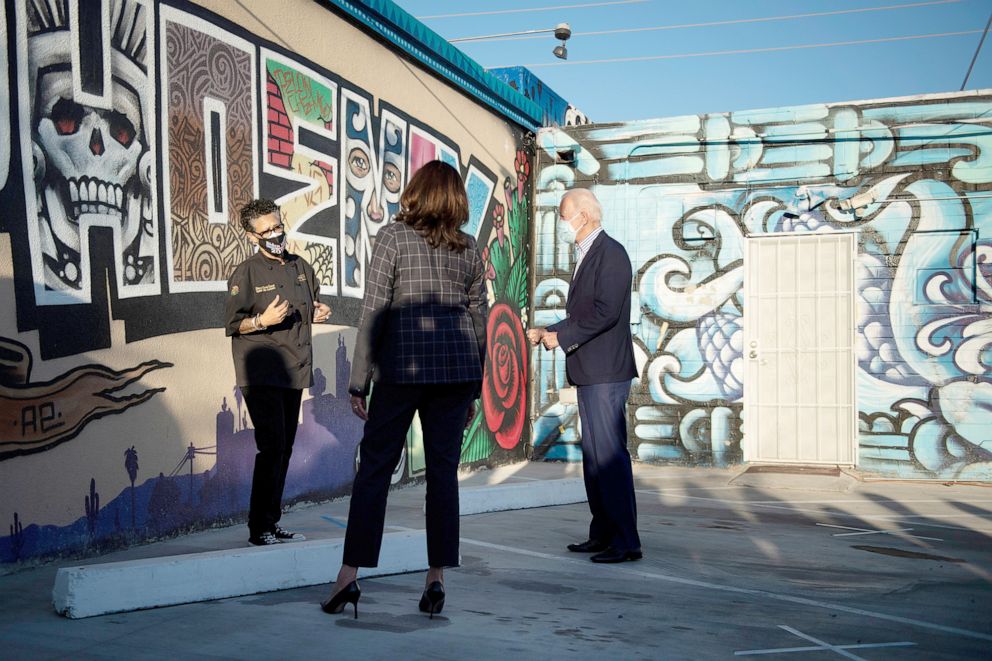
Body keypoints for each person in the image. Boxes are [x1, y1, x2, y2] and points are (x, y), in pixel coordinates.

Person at [321, 161, 488, 619]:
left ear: (415, 193)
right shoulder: (470, 250)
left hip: (400, 373)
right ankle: (436, 579)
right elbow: (479, 324)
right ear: (456, 200)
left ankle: (348, 577)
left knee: (374, 472)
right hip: (454, 376)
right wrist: (474, 386)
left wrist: (358, 380)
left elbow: (374, 311)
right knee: (442, 477)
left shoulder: (392, 238)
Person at [527, 188, 642, 564]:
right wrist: (549, 330)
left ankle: (626, 542)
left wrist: (562, 338)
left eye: (564, 214)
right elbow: (582, 314)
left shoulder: (611, 254)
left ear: (585, 215)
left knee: (609, 456)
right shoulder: (587, 254)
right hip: (591, 371)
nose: (561, 222)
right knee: (594, 458)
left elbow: (607, 312)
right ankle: (603, 533)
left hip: (606, 372)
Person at [225, 199, 332, 547]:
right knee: (271, 447)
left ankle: (272, 522)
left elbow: (309, 303)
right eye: (267, 230)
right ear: (251, 235)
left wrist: (318, 310)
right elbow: (232, 324)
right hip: (262, 374)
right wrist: (261, 321)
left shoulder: (301, 266)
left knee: (284, 448)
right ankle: (259, 529)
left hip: (294, 370)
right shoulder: (247, 272)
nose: (276, 234)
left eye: (278, 226)